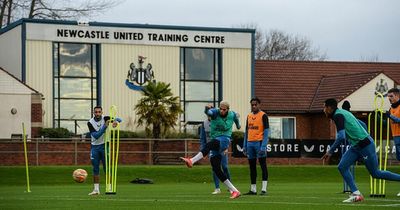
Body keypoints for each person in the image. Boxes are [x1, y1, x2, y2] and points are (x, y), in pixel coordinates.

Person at [321, 98, 400, 203]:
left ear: (330, 108)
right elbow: (363, 124)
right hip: (357, 146)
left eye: (324, 107)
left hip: (365, 146)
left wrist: (330, 152)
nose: (324, 110)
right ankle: (357, 194)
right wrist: (360, 135)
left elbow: (341, 137)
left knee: (376, 173)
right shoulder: (344, 113)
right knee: (342, 166)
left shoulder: (338, 116)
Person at [180, 101, 241, 199]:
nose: (221, 111)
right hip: (216, 140)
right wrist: (206, 109)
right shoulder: (215, 112)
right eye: (220, 108)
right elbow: (208, 113)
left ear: (228, 109)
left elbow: (238, 126)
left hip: (224, 139)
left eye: (224, 109)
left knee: (209, 145)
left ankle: (192, 161)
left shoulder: (232, 114)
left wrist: (237, 120)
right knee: (216, 169)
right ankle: (235, 191)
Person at [87, 106, 122, 196]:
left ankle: (109, 187)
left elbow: (120, 119)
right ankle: (96, 190)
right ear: (93, 113)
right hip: (94, 147)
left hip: (104, 145)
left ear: (102, 112)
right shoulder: (90, 122)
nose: (98, 114)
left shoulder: (106, 118)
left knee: (107, 168)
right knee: (95, 168)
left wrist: (115, 121)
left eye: (99, 112)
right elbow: (96, 135)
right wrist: (105, 126)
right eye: (96, 112)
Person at [242, 97, 269, 196]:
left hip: (259, 143)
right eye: (252, 105)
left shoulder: (263, 115)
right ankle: (253, 190)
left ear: (259, 105)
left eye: (255, 104)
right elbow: (247, 131)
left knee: (263, 166)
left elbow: (266, 132)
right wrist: (244, 145)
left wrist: (263, 146)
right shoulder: (249, 116)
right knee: (252, 167)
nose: (253, 106)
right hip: (250, 144)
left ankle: (264, 189)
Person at [199, 113, 231, 195]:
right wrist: (204, 151)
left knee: (225, 167)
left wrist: (226, 147)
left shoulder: (219, 121)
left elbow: (227, 134)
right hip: (211, 148)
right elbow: (202, 138)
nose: (210, 116)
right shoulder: (204, 124)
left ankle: (230, 188)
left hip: (221, 147)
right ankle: (217, 188)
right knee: (215, 168)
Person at [386, 88, 400, 197]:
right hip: (395, 137)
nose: (389, 98)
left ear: (396, 96)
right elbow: (389, 123)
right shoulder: (391, 108)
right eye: (388, 96)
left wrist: (390, 116)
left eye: (391, 96)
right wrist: (380, 119)